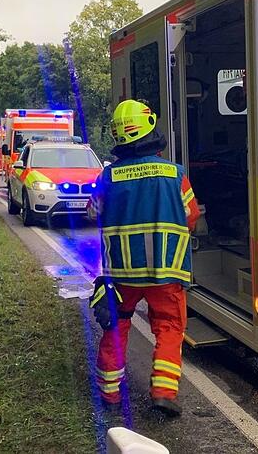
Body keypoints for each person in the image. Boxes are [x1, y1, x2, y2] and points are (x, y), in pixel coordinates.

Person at [88, 99, 200, 417]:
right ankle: (163, 393)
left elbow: (93, 213)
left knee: (116, 326)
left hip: (121, 274)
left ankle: (110, 393)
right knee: (169, 327)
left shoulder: (108, 177)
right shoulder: (175, 174)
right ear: (150, 128)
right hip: (166, 271)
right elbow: (191, 216)